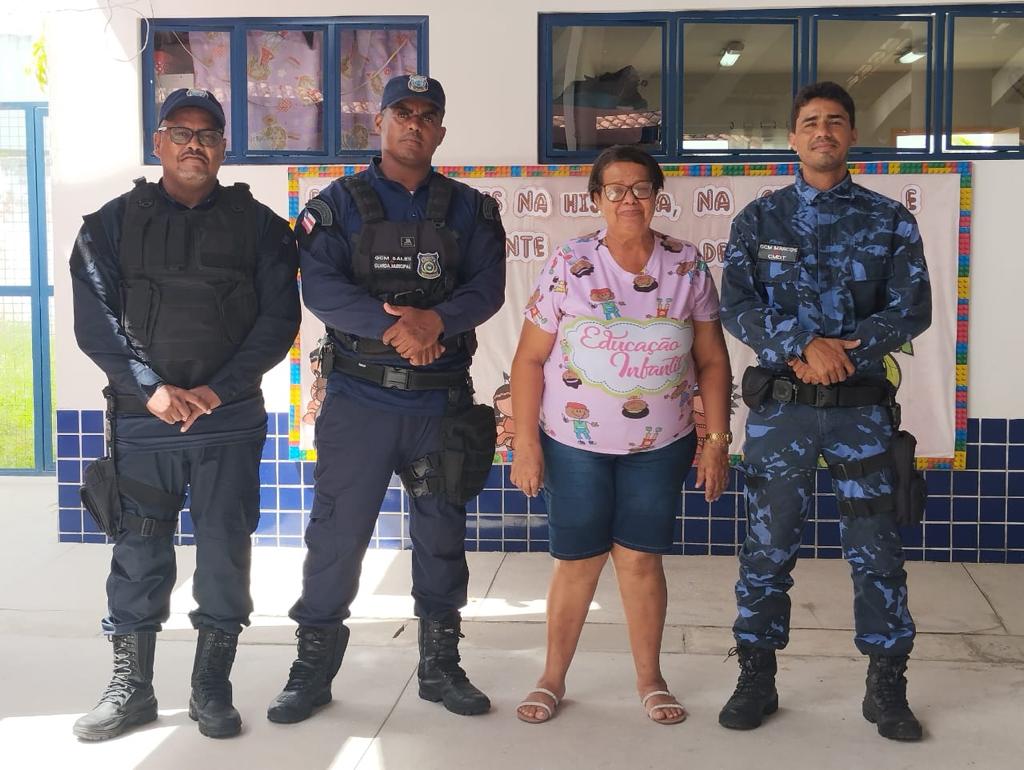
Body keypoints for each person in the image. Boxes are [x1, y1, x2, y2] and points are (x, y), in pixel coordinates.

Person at [267, 74, 506, 723]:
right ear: (380, 121)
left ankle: (440, 666)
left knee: (440, 538)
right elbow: (320, 286)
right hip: (360, 403)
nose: (415, 124)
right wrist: (398, 327)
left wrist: (438, 321)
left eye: (429, 115)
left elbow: (488, 288)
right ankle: (311, 670)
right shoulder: (336, 206)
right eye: (404, 112)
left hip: (440, 405)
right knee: (337, 539)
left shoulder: (472, 210)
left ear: (442, 130)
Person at [70, 88, 301, 740]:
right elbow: (96, 321)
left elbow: (279, 319)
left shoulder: (261, 229)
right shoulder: (109, 224)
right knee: (139, 555)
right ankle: (132, 689)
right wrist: (151, 389)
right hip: (145, 423)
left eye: (207, 134)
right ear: (159, 143)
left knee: (226, 554)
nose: (194, 144)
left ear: (225, 147)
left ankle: (210, 688)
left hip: (227, 423)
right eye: (181, 132)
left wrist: (220, 390)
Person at [718, 81, 931, 741]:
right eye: (810, 122)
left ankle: (887, 685)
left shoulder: (889, 218)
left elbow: (912, 308)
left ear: (851, 134)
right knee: (767, 545)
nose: (823, 131)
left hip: (859, 413)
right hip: (782, 412)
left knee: (876, 548)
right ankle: (757, 674)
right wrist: (801, 345)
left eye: (835, 121)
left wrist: (848, 351)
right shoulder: (759, 220)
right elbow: (737, 304)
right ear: (792, 137)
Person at [510, 145, 733, 725]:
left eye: (641, 188)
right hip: (572, 444)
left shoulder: (687, 266)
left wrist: (717, 441)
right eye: (615, 189)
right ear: (595, 199)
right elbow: (530, 360)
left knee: (639, 562)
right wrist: (527, 442)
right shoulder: (569, 262)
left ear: (658, 196)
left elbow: (712, 362)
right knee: (578, 562)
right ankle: (552, 677)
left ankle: (650, 678)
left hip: (659, 448)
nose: (629, 199)